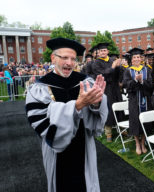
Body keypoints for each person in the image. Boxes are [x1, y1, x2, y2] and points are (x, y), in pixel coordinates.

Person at [25, 37, 108, 192]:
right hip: (56, 151)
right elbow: (39, 122)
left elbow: (96, 117)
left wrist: (96, 103)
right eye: (64, 57)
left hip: (83, 146)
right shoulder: (39, 88)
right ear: (53, 58)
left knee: (86, 184)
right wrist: (77, 106)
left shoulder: (85, 81)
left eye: (73, 59)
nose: (69, 63)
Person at [122, 48, 153, 155]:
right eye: (134, 57)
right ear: (131, 59)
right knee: (135, 121)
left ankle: (143, 142)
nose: (136, 59)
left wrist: (142, 81)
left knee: (145, 121)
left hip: (145, 99)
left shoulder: (147, 70)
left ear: (141, 59)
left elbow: (151, 85)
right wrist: (135, 80)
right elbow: (125, 85)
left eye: (138, 57)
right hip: (134, 100)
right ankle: (137, 143)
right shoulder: (128, 70)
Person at [92, 42, 122, 142]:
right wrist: (113, 67)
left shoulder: (112, 60)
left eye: (104, 50)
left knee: (118, 107)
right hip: (106, 89)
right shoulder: (96, 63)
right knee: (107, 109)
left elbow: (118, 74)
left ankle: (120, 128)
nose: (103, 52)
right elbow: (102, 74)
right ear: (98, 53)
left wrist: (119, 67)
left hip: (115, 88)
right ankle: (108, 132)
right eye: (101, 51)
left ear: (108, 51)